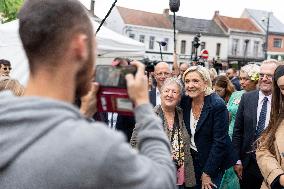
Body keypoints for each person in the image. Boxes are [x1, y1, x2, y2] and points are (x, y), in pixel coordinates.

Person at [0, 1, 176, 189]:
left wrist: (82, 114)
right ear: (80, 47)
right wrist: (142, 104)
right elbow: (163, 180)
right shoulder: (97, 146)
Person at [131, 77, 196, 188]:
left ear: (179, 97)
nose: (169, 95)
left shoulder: (182, 114)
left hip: (181, 178)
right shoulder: (149, 116)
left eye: (174, 92)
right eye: (166, 91)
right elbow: (134, 145)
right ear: (160, 94)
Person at [180, 65, 235, 189]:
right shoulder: (185, 101)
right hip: (191, 160)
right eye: (187, 81)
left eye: (195, 81)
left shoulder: (217, 105)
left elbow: (220, 142)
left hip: (212, 161)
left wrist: (207, 173)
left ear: (205, 83)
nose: (190, 85)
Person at [232, 60, 278, 189]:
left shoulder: (281, 103)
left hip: (273, 166)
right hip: (247, 165)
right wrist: (237, 160)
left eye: (269, 76)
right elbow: (238, 131)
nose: (264, 79)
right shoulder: (247, 98)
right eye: (262, 75)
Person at [219, 64, 260, 189]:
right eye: (240, 78)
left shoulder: (259, 97)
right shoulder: (235, 95)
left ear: (255, 79)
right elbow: (228, 116)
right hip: (229, 137)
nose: (241, 82)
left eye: (245, 79)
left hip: (243, 140)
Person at [256, 65, 284, 189]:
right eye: (283, 88)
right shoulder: (279, 114)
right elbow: (262, 148)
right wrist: (278, 177)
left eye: (268, 75)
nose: (264, 78)